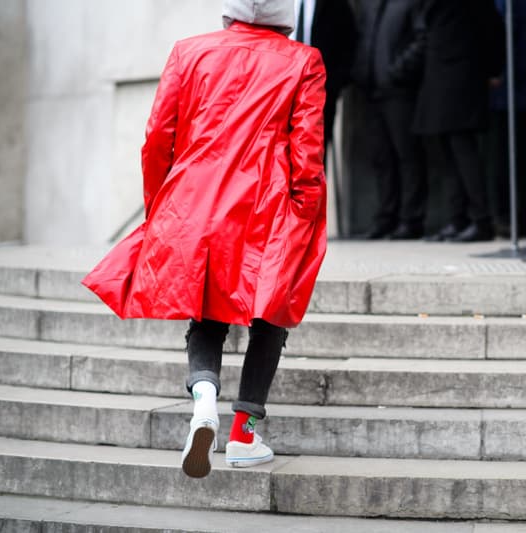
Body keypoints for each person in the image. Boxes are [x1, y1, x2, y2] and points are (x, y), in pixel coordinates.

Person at [82, 0, 328, 478]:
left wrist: (161, 208)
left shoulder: (188, 52)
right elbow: (308, 153)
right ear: (285, 17)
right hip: (268, 203)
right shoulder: (303, 60)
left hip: (194, 199)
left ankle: (204, 397)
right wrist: (304, 217)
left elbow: (157, 138)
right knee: (269, 310)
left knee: (206, 308)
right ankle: (243, 432)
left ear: (229, 14)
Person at [414, 0, 505, 242]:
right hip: (441, 79)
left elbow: (493, 30)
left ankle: (481, 220)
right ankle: (458, 219)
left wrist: (493, 70)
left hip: (461, 79)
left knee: (464, 152)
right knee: (449, 154)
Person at [354, 0, 429, 240]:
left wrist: (398, 71)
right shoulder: (369, 5)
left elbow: (422, 39)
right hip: (371, 90)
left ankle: (411, 220)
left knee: (408, 156)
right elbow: (362, 39)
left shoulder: (410, 3)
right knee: (382, 158)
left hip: (400, 91)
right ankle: (386, 218)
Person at [291, 0, 357, 150]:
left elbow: (349, 45)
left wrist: (332, 86)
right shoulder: (278, 5)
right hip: (284, 91)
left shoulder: (334, 4)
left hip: (321, 95)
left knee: (315, 153)